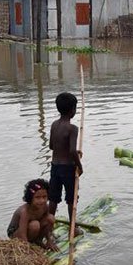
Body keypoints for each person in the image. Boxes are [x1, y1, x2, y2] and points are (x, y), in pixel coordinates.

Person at [49, 92, 84, 229]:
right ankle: (73, 227)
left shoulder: (54, 125)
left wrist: (75, 152)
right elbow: (71, 151)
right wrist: (79, 165)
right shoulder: (72, 128)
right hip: (67, 168)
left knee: (53, 199)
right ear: (73, 110)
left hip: (55, 166)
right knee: (71, 199)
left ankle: (49, 228)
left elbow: (52, 146)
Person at [7, 179, 58, 251]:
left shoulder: (45, 207)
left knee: (50, 218)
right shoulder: (25, 211)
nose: (42, 201)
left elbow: (47, 224)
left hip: (32, 229)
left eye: (44, 197)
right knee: (35, 225)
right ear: (31, 198)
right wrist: (28, 249)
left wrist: (49, 240)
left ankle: (38, 240)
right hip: (16, 232)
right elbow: (22, 233)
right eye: (37, 197)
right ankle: (30, 243)